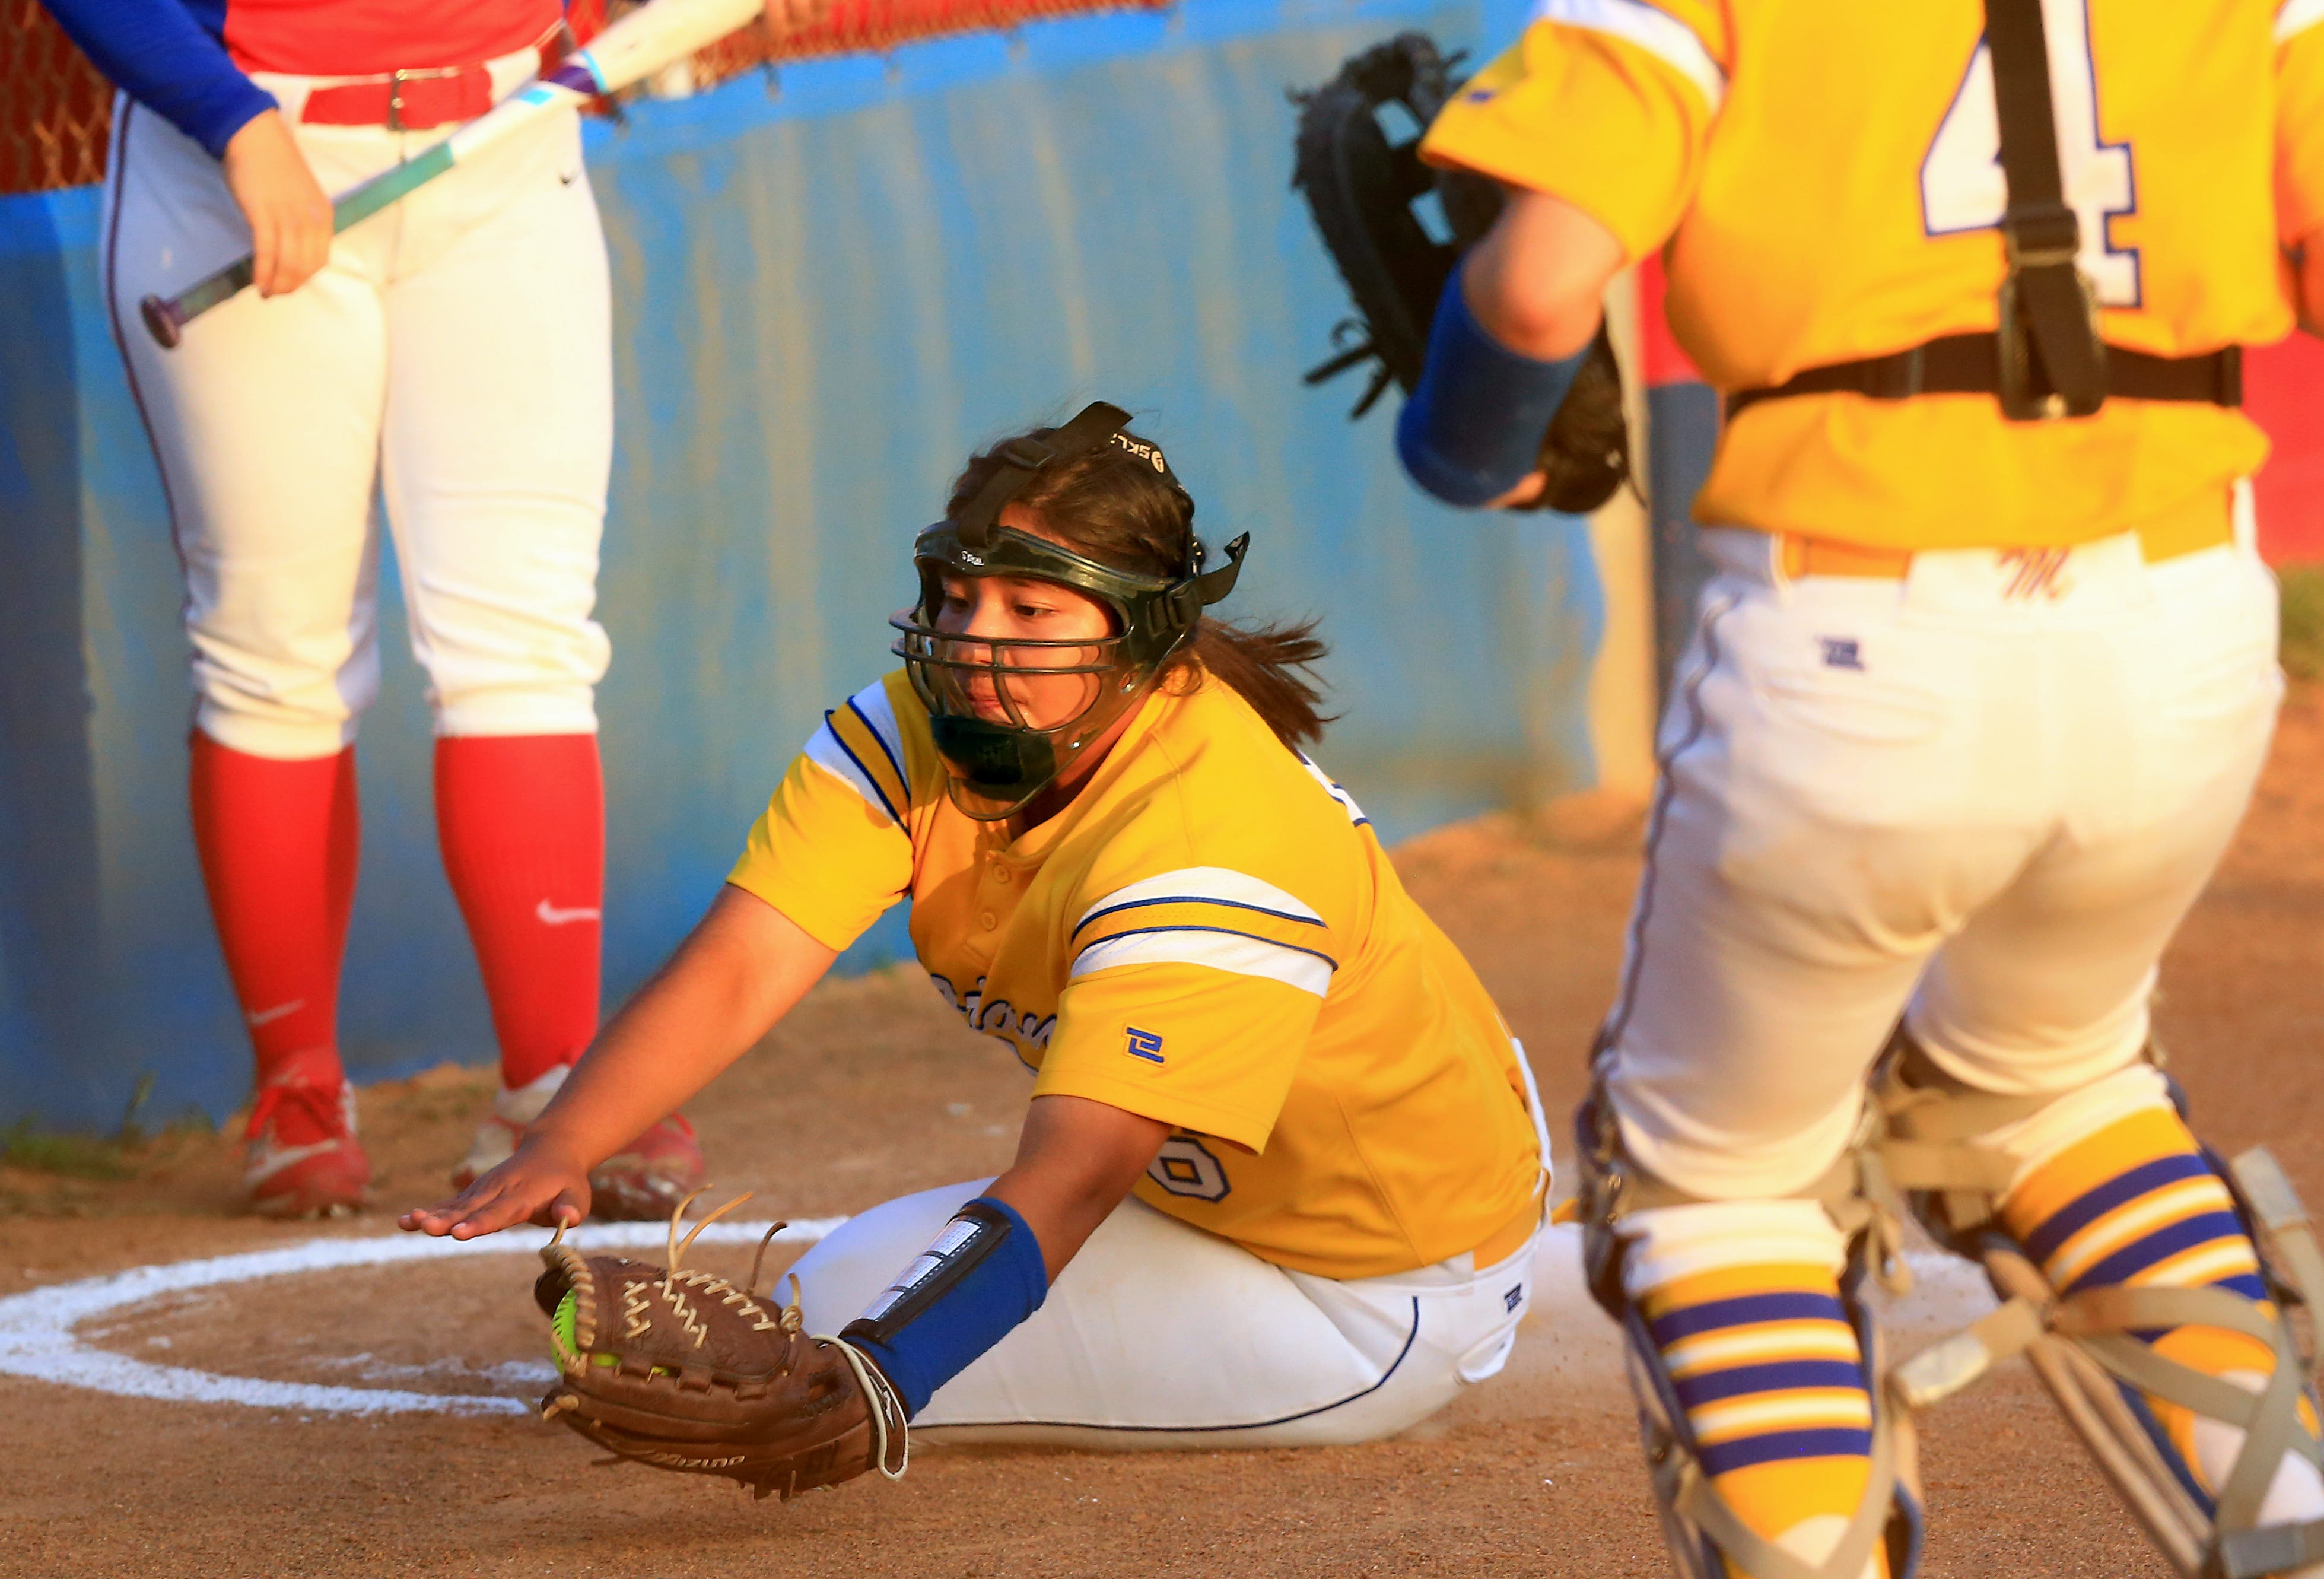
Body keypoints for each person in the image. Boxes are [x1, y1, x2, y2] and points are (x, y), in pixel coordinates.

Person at [1397, 2, 2324, 1575]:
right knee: (2055, 1086)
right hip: (2180, 628)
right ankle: (2284, 1527)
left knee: (1719, 1180)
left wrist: (1461, 436)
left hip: (1857, 644)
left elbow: (1544, 285)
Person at [403, 404, 1552, 1447]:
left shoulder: (1212, 839)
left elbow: (1076, 1174)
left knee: (837, 1351)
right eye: (960, 595)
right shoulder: (924, 725)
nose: (973, 639)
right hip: (1214, 1190)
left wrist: (886, 1384)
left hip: (1369, 1283)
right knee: (830, 1298)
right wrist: (565, 1141)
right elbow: (748, 959)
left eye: (1030, 607)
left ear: (1139, 635)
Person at [40, 0, 815, 1217]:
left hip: (503, 135)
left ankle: (557, 1083)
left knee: (526, 635)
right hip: (242, 151)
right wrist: (234, 126)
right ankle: (297, 1092)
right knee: (272, 650)